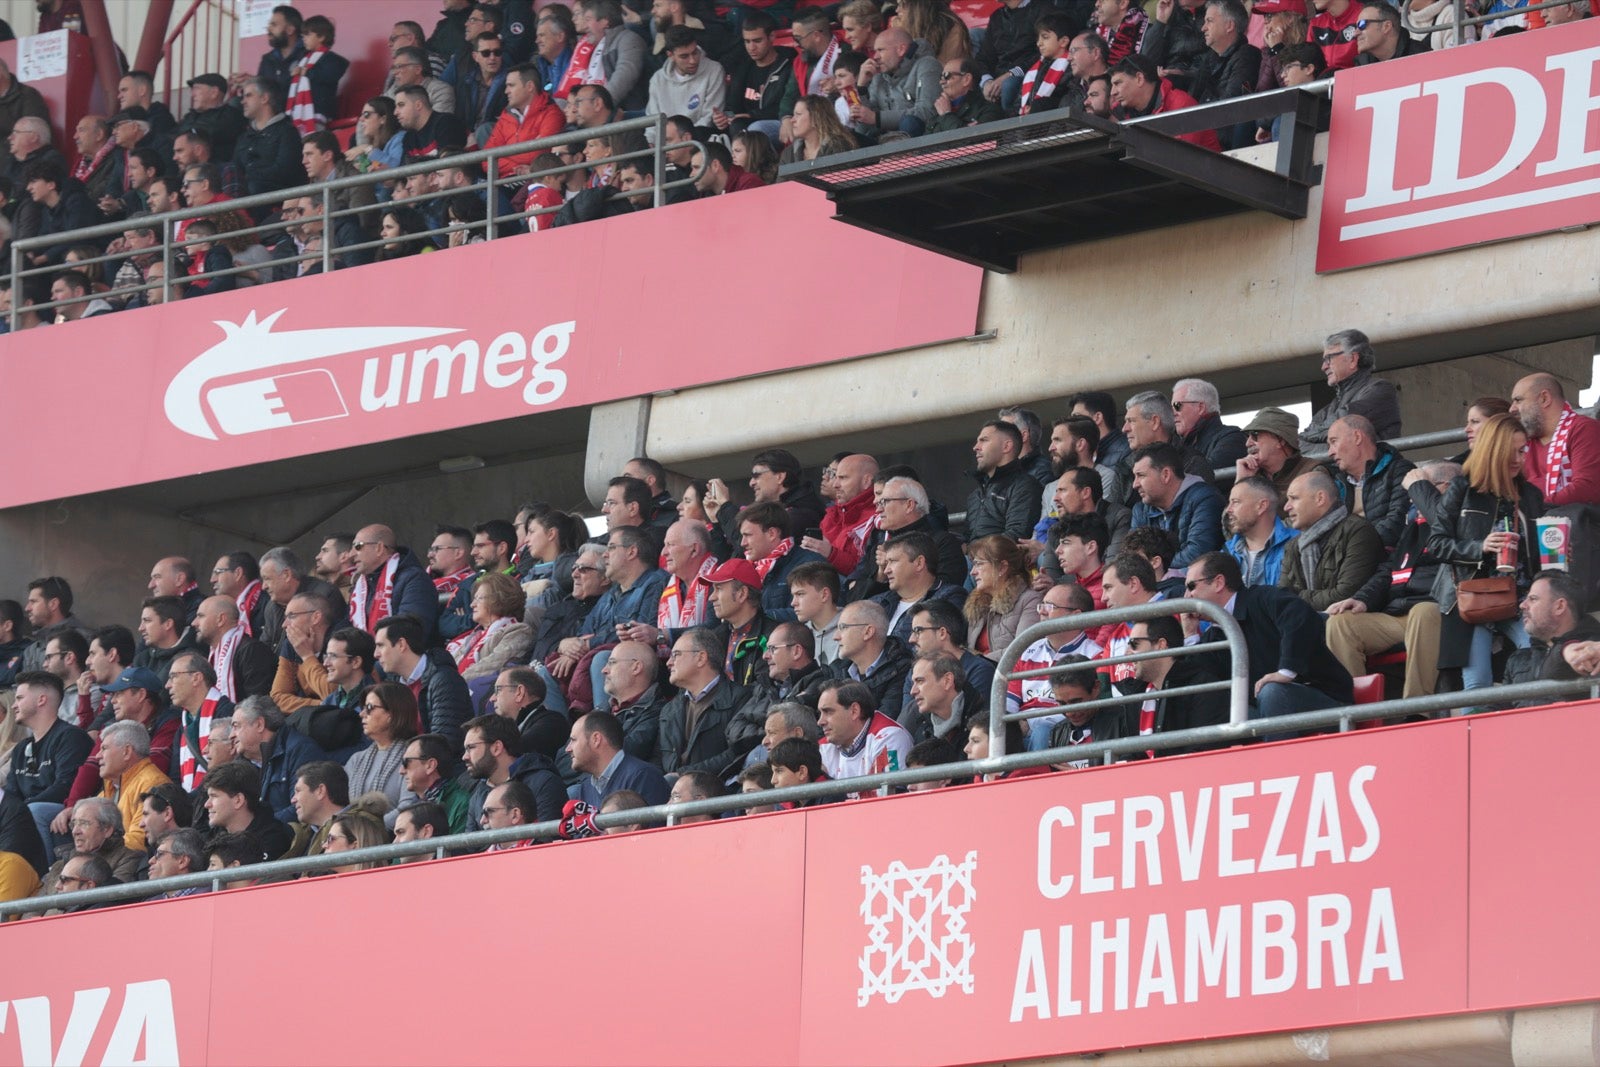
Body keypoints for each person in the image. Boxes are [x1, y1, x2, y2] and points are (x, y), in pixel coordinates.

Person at [1428, 413, 1543, 694]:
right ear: (1492, 449)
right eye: (1510, 451)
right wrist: (1479, 547)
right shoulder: (1462, 488)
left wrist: (1557, 552)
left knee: (1538, 661)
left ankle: (1529, 715)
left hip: (1521, 596)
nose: (1517, 458)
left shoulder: (1530, 495)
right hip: (1472, 597)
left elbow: (1539, 550)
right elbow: (1437, 543)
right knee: (1476, 683)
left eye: (1522, 451)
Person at [1325, 461, 1455, 698]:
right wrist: (1362, 599)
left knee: (1423, 612)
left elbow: (1451, 535)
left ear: (1446, 488)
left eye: (1420, 488)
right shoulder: (1413, 528)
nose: (1413, 499)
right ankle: (1357, 712)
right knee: (1340, 624)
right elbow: (1388, 570)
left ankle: (1417, 708)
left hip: (1437, 613)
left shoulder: (1461, 522)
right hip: (1398, 615)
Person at [1183, 552, 1354, 729]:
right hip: (1267, 709)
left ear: (1218, 582)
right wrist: (1190, 635)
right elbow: (1201, 681)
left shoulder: (1262, 597)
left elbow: (1301, 616)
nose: (1186, 596)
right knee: (1223, 714)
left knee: (1272, 691)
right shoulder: (1214, 635)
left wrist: (1286, 671)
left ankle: (1278, 749)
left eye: (1191, 586)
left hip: (1329, 702)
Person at [1005, 583, 1103, 749]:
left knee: (1042, 730)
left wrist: (1033, 723)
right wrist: (1013, 726)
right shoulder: (1029, 650)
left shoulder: (1095, 656)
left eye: (1049, 607)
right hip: (1022, 729)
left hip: (1062, 732)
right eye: (1041, 605)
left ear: (1075, 616)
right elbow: (1009, 702)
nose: (1041, 612)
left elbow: (1087, 710)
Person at [1114, 615, 1230, 753]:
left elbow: (1205, 752)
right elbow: (1134, 755)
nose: (1127, 653)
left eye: (1134, 644)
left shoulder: (1203, 689)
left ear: (1161, 645)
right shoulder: (1136, 695)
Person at [7, 671, 91, 856]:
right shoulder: (21, 748)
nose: (13, 705)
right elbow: (11, 794)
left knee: (35, 810)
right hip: (26, 812)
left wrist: (20, 809)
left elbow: (65, 786)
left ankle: (45, 872)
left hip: (62, 811)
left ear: (41, 700)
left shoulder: (71, 737)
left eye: (19, 698)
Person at [657, 627, 759, 777]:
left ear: (701, 658)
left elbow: (737, 753)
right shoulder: (668, 710)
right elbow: (659, 759)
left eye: (676, 655)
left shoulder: (740, 698)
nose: (669, 663)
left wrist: (684, 775)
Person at [1278, 468, 1384, 610]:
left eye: (1294, 498)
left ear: (1320, 498)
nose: (1286, 507)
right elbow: (1281, 599)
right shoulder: (1293, 546)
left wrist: (1296, 596)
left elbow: (1344, 596)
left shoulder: (1357, 532)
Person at [373, 614, 471, 749]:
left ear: (401, 644)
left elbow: (443, 743)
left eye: (381, 646)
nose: (376, 654)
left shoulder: (445, 681)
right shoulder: (391, 685)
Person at [1129, 443, 1225, 571]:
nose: (1135, 485)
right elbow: (1132, 561)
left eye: (1141, 475)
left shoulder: (1205, 499)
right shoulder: (1140, 510)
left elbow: (1197, 554)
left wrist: (1152, 568)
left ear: (1166, 475)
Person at [232, 695, 327, 824]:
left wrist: (257, 827)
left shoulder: (300, 750)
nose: (231, 735)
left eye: (236, 726)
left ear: (259, 724)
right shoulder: (240, 765)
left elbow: (303, 807)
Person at [1511, 372, 1600, 508]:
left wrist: (1533, 511)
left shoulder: (1584, 428)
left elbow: (1586, 488)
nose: (1511, 409)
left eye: (1518, 400)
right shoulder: (1522, 441)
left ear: (1544, 398)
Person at [1301, 329, 1403, 447]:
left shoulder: (1381, 390)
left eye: (1329, 358)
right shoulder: (1328, 410)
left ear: (1353, 359)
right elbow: (1300, 445)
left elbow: (1346, 425)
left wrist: (1312, 440)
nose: (1323, 367)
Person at [462, 714, 566, 827]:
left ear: (497, 748)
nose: (465, 757)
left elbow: (547, 835)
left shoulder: (543, 783)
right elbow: (471, 838)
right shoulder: (478, 794)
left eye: (471, 747)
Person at [816, 678, 913, 796]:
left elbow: (890, 799)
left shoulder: (889, 737)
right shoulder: (823, 747)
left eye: (828, 712)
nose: (820, 721)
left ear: (854, 711)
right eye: (820, 713)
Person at [1109, 54, 1220, 152]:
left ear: (1139, 79)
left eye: (1117, 83)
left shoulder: (1181, 105)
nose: (1112, 92)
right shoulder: (1119, 113)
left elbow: (1182, 158)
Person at [346, 682, 422, 826]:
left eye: (369, 708)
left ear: (392, 714)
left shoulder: (413, 757)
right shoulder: (356, 760)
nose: (362, 714)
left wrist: (369, 829)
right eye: (363, 708)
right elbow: (342, 807)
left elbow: (409, 807)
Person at [348, 525, 440, 639]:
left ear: (379, 548)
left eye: (358, 546)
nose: (351, 554)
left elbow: (411, 633)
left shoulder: (414, 578)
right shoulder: (360, 586)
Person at [964, 536, 1044, 661]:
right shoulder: (978, 605)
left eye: (979, 564)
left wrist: (976, 663)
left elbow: (1023, 650)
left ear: (1002, 567)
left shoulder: (1030, 600)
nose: (972, 572)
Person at [567, 710, 669, 807]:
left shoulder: (643, 776)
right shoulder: (585, 788)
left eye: (573, 740)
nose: (568, 749)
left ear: (596, 739)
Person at [1235, 407, 1323, 512]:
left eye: (1255, 435)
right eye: (1247, 436)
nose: (1248, 443)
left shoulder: (1312, 472)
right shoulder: (1252, 476)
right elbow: (1231, 520)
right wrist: (1242, 482)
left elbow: (1313, 518)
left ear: (1280, 440)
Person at [968, 421, 1044, 541]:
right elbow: (967, 538)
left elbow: (1016, 535)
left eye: (984, 440)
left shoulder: (1024, 486)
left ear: (1006, 446)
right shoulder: (975, 495)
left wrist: (978, 550)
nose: (976, 447)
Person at [1224, 477, 1297, 588]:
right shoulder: (1227, 552)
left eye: (1235, 502)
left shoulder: (1298, 545)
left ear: (1261, 506)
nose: (1228, 509)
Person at [1172, 378, 1247, 470]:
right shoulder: (1177, 445)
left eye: (1177, 405)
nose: (1173, 413)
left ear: (1200, 408)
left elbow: (1205, 473)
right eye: (1171, 408)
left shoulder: (1232, 437)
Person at [777, 94, 858, 164]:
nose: (792, 120)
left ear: (815, 118)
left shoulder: (839, 147)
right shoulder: (788, 154)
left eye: (798, 114)